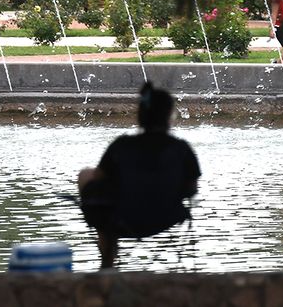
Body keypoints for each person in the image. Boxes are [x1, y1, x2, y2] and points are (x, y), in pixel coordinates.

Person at [77, 82, 201, 269]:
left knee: (88, 179)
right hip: (166, 216)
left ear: (140, 115)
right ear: (169, 115)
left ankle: (108, 260)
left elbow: (99, 177)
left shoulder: (122, 145)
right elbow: (191, 188)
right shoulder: (181, 149)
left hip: (121, 217)